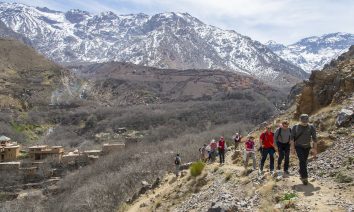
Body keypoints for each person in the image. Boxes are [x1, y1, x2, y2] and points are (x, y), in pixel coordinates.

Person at [291, 114, 317, 185]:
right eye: (303, 121)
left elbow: (314, 139)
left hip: (307, 147)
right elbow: (292, 139)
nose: (305, 122)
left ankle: (300, 171)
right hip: (298, 147)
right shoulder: (295, 127)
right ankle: (304, 177)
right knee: (302, 161)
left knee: (304, 161)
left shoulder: (311, 127)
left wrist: (315, 149)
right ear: (300, 120)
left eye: (306, 120)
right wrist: (292, 148)